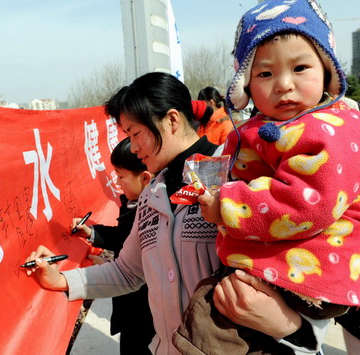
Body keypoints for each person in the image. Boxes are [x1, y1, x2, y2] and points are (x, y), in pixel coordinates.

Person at [24, 72, 331, 355]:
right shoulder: (150, 196)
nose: (132, 148)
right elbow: (128, 272)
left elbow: (309, 263)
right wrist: (62, 280)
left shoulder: (236, 171)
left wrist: (292, 326)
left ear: (171, 120)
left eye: (134, 133)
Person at [174, 0, 360, 354]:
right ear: (245, 82)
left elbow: (307, 202)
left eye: (301, 67)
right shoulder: (257, 129)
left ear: (327, 70)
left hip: (310, 264)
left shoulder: (332, 129)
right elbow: (228, 167)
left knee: (211, 320)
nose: (284, 84)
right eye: (265, 74)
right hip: (278, 262)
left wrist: (226, 205)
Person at [71, 136, 155, 354]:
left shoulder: (153, 214)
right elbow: (124, 237)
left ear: (145, 178)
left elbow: (131, 260)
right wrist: (92, 233)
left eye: (120, 176)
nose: (116, 182)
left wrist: (106, 265)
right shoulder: (136, 203)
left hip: (144, 312)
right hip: (132, 310)